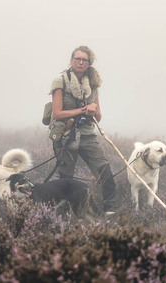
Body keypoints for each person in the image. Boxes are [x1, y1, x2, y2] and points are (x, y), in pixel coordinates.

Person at [49, 45, 116, 213]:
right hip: (65, 135)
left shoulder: (93, 84)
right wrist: (83, 110)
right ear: (71, 61)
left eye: (84, 60)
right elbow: (57, 114)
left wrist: (93, 111)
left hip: (86, 134)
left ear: (88, 63)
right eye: (77, 59)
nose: (80, 62)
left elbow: (98, 117)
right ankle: (64, 214)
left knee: (104, 172)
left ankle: (110, 211)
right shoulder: (60, 81)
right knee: (66, 179)